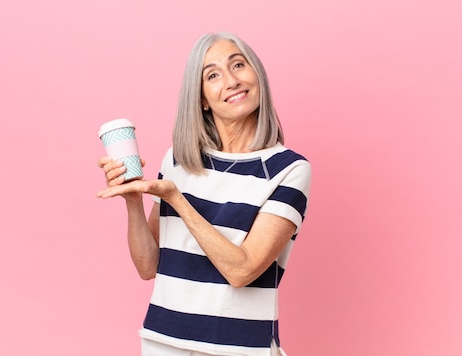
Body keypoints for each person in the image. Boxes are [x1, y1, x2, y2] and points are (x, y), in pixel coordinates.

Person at [96, 32, 311, 356]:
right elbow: (148, 266)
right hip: (164, 343)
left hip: (241, 348)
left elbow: (242, 270)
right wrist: (132, 200)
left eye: (238, 65)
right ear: (202, 100)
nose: (232, 80)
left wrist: (177, 199)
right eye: (213, 74)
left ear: (257, 75)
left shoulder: (287, 168)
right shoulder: (178, 160)